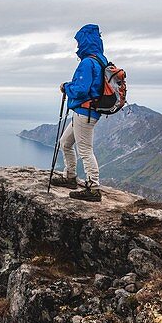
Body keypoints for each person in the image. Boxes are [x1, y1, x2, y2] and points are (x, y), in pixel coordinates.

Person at [51, 23, 106, 202]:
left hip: (85, 111)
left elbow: (82, 89)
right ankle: (70, 177)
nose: (77, 46)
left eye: (79, 42)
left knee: (85, 150)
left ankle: (93, 187)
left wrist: (66, 87)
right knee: (65, 142)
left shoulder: (88, 62)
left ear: (85, 41)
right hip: (88, 111)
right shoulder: (100, 59)